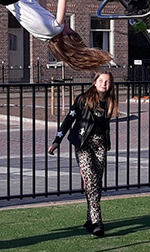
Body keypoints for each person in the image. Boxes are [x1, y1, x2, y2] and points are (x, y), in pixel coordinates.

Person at [50, 72, 119, 237]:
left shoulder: (110, 102)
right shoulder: (83, 99)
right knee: (91, 180)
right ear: (94, 82)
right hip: (83, 143)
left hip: (100, 144)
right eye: (101, 80)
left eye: (107, 82)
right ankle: (97, 222)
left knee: (96, 183)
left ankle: (90, 218)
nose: (104, 84)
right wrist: (57, 141)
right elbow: (68, 120)